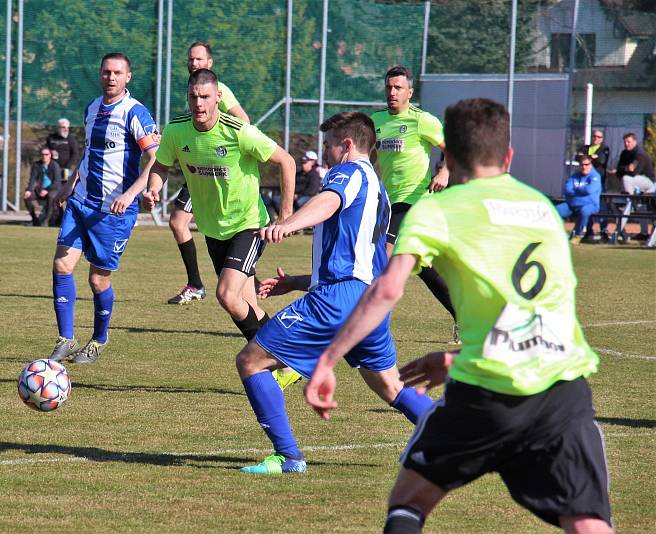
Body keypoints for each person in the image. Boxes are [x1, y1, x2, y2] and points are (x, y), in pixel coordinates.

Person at [306, 98, 612, 533]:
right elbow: (536, 307)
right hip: (564, 388)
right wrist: (453, 360)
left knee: (408, 502)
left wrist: (330, 359)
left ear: (446, 156)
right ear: (508, 156)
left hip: (487, 392)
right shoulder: (542, 209)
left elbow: (387, 288)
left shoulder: (437, 210)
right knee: (585, 522)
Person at [235, 111, 433, 475]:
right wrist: (296, 281)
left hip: (340, 300)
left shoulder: (349, 172)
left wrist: (288, 223)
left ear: (346, 145)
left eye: (327, 144)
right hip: (370, 299)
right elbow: (357, 259)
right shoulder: (379, 189)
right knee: (390, 386)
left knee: (251, 361)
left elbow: (328, 202)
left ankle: (289, 456)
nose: (324, 151)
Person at [143, 68, 294, 345]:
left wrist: (285, 216)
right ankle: (285, 355)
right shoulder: (177, 130)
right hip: (213, 229)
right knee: (246, 303)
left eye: (205, 96)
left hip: (249, 225)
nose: (198, 103)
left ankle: (271, 359)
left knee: (226, 295)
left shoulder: (239, 132)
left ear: (218, 97)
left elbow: (287, 161)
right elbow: (161, 166)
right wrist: (153, 188)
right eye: (193, 97)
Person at [48, 52, 160, 364]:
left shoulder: (135, 112)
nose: (111, 77)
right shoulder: (92, 108)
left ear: (128, 78)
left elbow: (155, 159)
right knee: (61, 265)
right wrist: (69, 184)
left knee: (98, 280)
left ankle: (98, 339)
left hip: (113, 213)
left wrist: (132, 194)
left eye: (117, 73)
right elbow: (88, 153)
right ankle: (66, 339)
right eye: (106, 72)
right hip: (81, 201)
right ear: (100, 75)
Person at [371, 65, 458, 342]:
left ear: (409, 92)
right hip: (387, 201)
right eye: (388, 87)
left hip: (414, 200)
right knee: (423, 265)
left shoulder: (423, 121)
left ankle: (367, 324)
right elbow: (368, 158)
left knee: (382, 255)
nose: (392, 92)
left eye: (398, 88)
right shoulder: (376, 121)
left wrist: (444, 172)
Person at [165, 42, 251, 306]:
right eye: (190, 59)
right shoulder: (193, 90)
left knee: (180, 223)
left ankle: (202, 282)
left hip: (218, 174)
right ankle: (198, 282)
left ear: (210, 63)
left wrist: (224, 146)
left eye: (199, 59)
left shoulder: (219, 89)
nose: (194, 63)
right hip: (200, 172)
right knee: (178, 222)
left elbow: (244, 121)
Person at [610, 132, 655, 240]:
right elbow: (619, 172)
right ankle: (644, 233)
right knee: (640, 207)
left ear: (634, 142)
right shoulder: (624, 153)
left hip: (649, 184)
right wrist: (625, 169)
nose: (626, 144)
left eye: (628, 141)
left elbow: (634, 172)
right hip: (636, 185)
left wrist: (622, 170)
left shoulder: (640, 154)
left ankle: (628, 199)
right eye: (625, 142)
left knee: (626, 179)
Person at [555, 155, 601, 243]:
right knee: (555, 211)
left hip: (589, 205)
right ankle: (560, 234)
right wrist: (581, 191)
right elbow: (567, 189)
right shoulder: (574, 176)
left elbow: (589, 190)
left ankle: (578, 235)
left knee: (585, 211)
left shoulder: (595, 176)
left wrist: (576, 190)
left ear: (591, 165)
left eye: (587, 164)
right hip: (572, 204)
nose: (584, 167)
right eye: (582, 165)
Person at [269, 150, 325, 217]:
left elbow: (312, 190)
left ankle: (300, 221)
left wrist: (298, 195)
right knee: (276, 199)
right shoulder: (299, 174)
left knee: (300, 202)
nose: (303, 164)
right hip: (294, 195)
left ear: (312, 162)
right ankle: (285, 218)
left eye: (305, 162)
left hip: (307, 196)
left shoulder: (314, 174)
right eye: (302, 162)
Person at [24, 146, 62, 226]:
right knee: (27, 197)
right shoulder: (37, 165)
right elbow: (32, 179)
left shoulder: (55, 165)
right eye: (42, 154)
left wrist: (47, 190)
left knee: (51, 196)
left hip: (53, 190)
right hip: (40, 190)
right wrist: (29, 190)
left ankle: (46, 220)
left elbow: (57, 182)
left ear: (50, 155)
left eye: (46, 154)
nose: (44, 156)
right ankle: (35, 220)